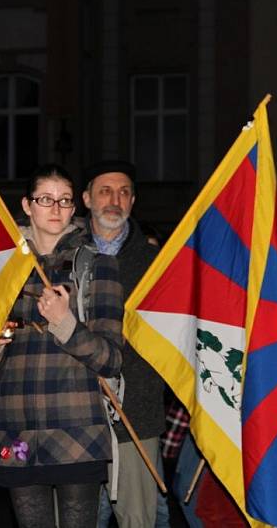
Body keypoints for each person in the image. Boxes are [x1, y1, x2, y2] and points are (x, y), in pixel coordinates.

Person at [0, 164, 124, 528]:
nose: (56, 209)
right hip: (15, 425)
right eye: (46, 199)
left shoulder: (96, 266)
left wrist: (65, 324)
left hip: (76, 426)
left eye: (64, 200)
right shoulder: (1, 268)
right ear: (28, 206)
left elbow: (111, 359)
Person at [82, 160, 167, 528]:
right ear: (87, 199)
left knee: (138, 519)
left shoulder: (156, 263)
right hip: (75, 415)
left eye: (123, 192)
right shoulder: (67, 256)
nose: (114, 199)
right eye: (105, 190)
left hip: (137, 412)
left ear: (133, 201)